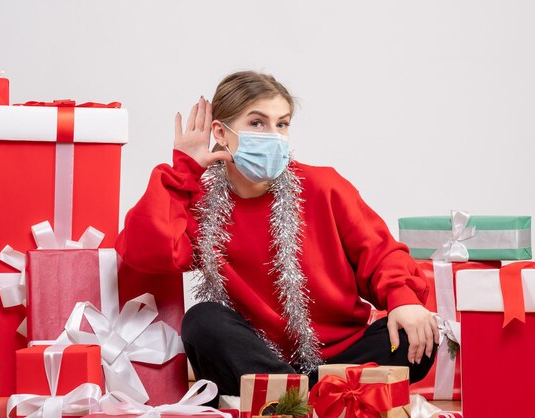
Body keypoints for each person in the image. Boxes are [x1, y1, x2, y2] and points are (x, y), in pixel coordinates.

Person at [115, 71, 439, 398]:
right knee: (202, 321)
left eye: (281, 124)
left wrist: (403, 299)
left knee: (417, 335)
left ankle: (288, 399)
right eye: (257, 123)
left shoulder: (323, 186)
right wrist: (184, 170)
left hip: (341, 354)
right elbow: (144, 252)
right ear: (221, 133)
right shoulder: (202, 203)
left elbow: (380, 252)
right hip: (254, 357)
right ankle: (323, 396)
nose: (273, 135)